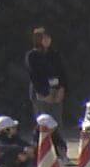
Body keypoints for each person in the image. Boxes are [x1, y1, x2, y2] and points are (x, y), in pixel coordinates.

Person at [25, 27, 70, 158]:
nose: (47, 40)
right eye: (44, 38)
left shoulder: (54, 54)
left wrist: (62, 89)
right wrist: (44, 93)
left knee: (57, 123)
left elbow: (62, 72)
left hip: (56, 92)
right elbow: (34, 76)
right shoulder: (32, 56)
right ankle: (40, 153)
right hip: (41, 94)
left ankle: (61, 151)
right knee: (43, 122)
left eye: (48, 38)